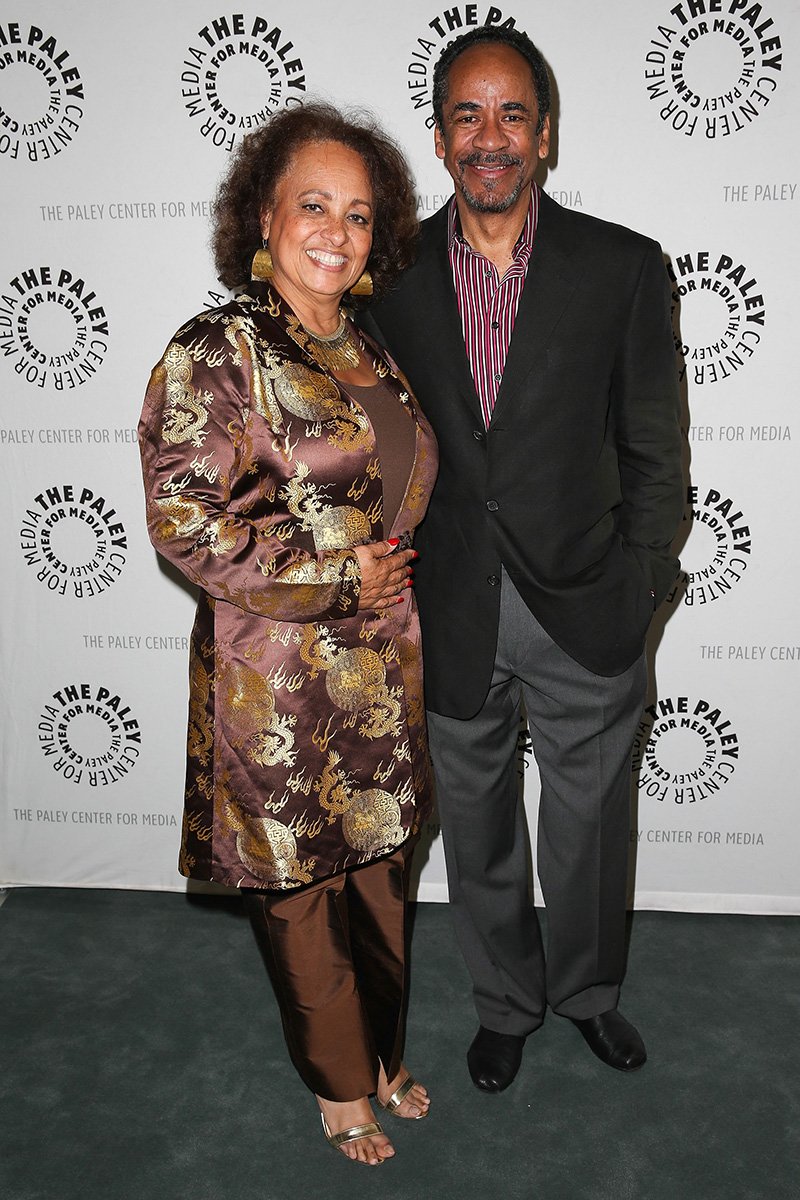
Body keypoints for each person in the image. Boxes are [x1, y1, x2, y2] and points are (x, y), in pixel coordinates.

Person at [364, 26, 683, 1092]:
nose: (487, 136)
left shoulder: (622, 267)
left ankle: (587, 995)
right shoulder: (389, 276)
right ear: (441, 135)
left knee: (589, 833)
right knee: (481, 832)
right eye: (466, 114)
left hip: (583, 600)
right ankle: (505, 1003)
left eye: (510, 115)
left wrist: (639, 581)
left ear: (543, 135)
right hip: (447, 602)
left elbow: (653, 450)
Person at [138, 103, 437, 1163]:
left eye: (358, 214)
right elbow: (183, 518)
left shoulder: (366, 347)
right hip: (277, 677)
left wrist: (380, 582)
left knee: (383, 876)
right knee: (303, 890)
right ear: (261, 217)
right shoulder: (217, 349)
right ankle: (339, 1086)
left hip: (381, 666)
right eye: (312, 204)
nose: (335, 230)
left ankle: (382, 1051)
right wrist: (327, 572)